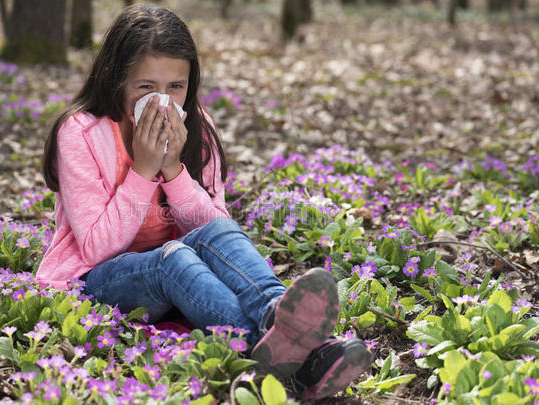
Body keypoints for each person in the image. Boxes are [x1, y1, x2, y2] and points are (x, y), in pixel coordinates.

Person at [37, 4, 371, 400]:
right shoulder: (80, 132)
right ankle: (281, 353)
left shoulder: (196, 125)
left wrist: (174, 170)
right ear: (116, 80)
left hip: (182, 270)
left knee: (219, 230)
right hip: (100, 278)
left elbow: (212, 226)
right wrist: (143, 172)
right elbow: (96, 246)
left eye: (175, 87)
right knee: (173, 256)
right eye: (146, 87)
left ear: (190, 84)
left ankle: (274, 314)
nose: (162, 100)